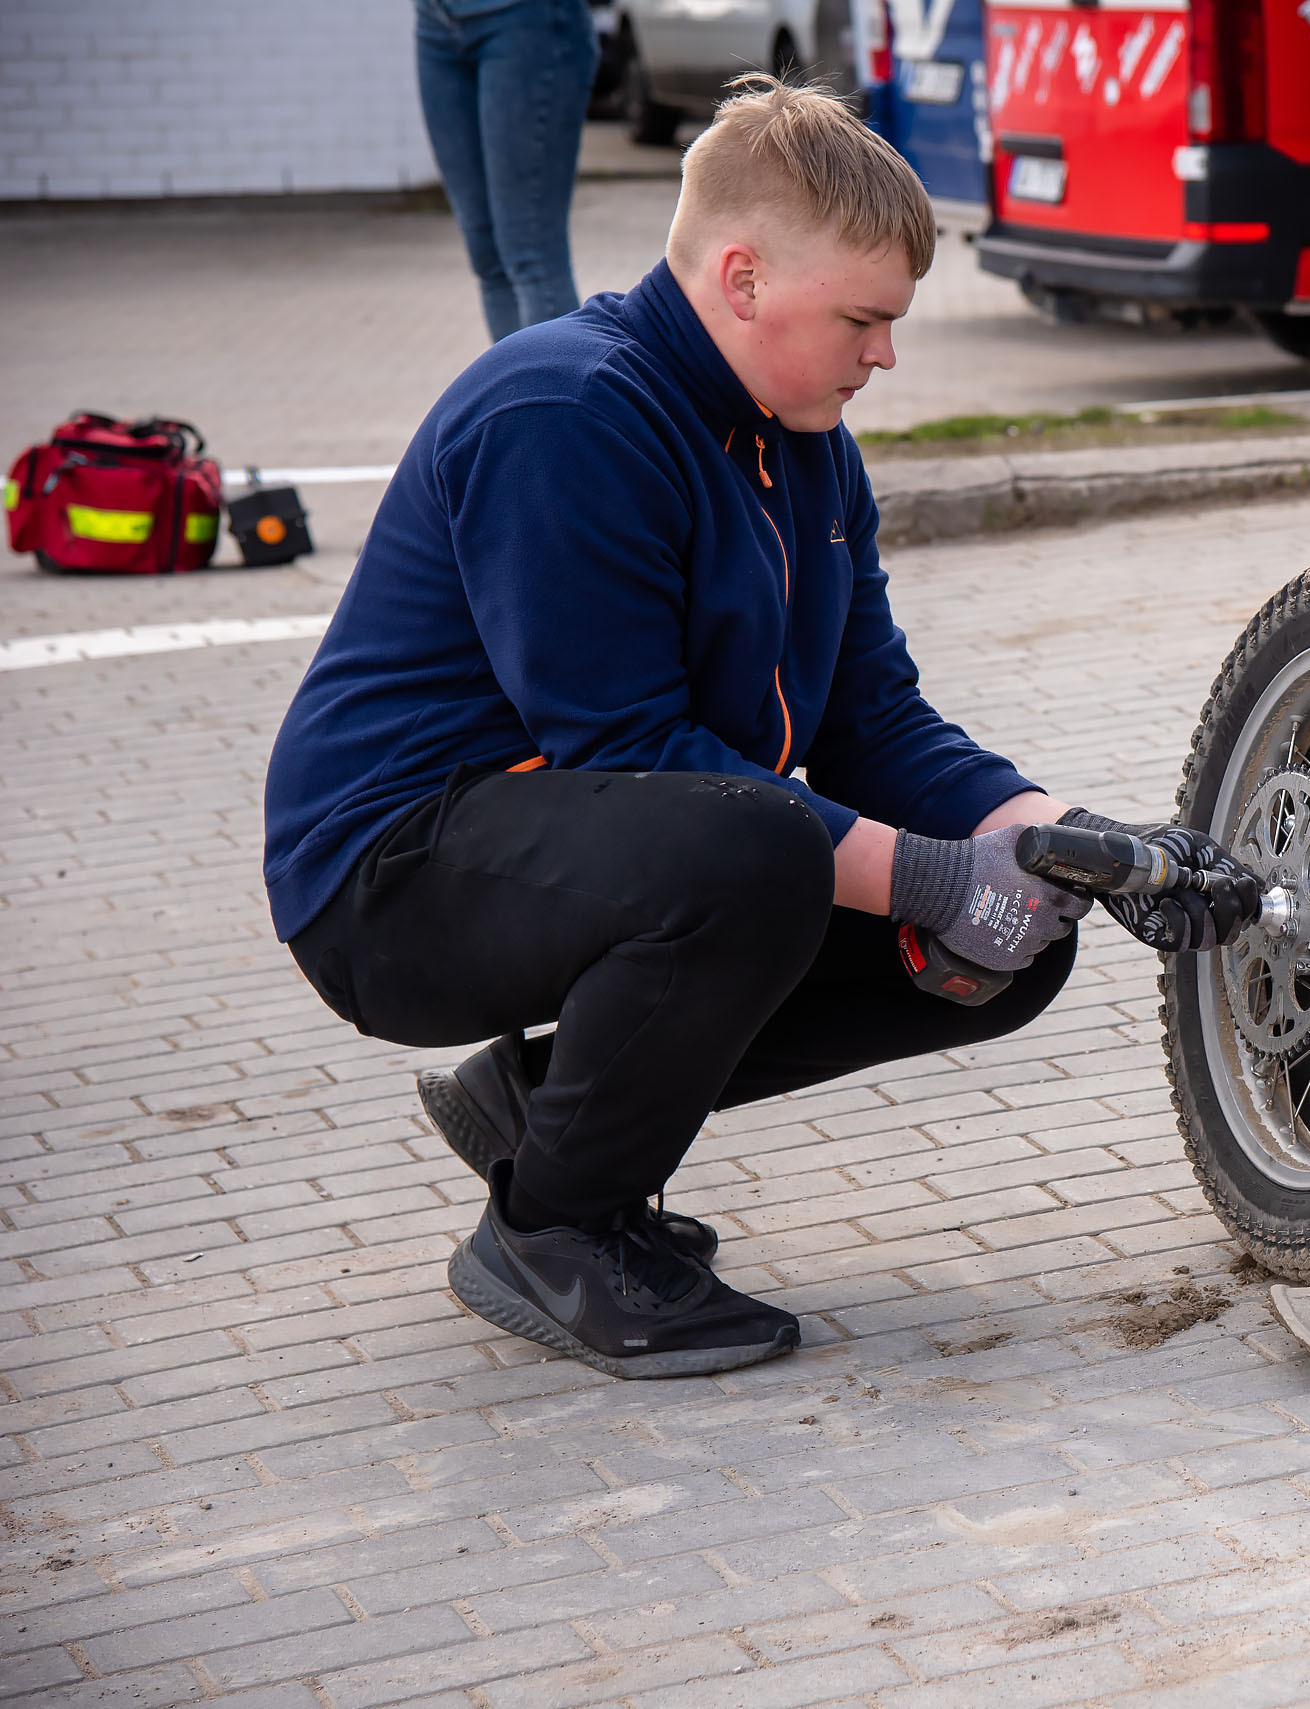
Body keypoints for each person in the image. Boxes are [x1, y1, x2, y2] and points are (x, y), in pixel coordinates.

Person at [264, 76, 1251, 1381]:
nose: (884, 355)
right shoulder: (566, 415)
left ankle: (551, 1120)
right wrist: (939, 873)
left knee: (1008, 951)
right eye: (861, 319)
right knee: (769, 854)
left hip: (594, 849)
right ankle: (552, 1229)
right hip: (389, 880)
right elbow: (627, 750)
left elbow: (870, 720)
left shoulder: (805, 446)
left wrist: (1070, 844)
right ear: (741, 278)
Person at [415, 0, 600, 341]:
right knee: (487, 257)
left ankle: (553, 392)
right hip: (435, 21)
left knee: (531, 256)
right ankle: (516, 391)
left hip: (525, 17)